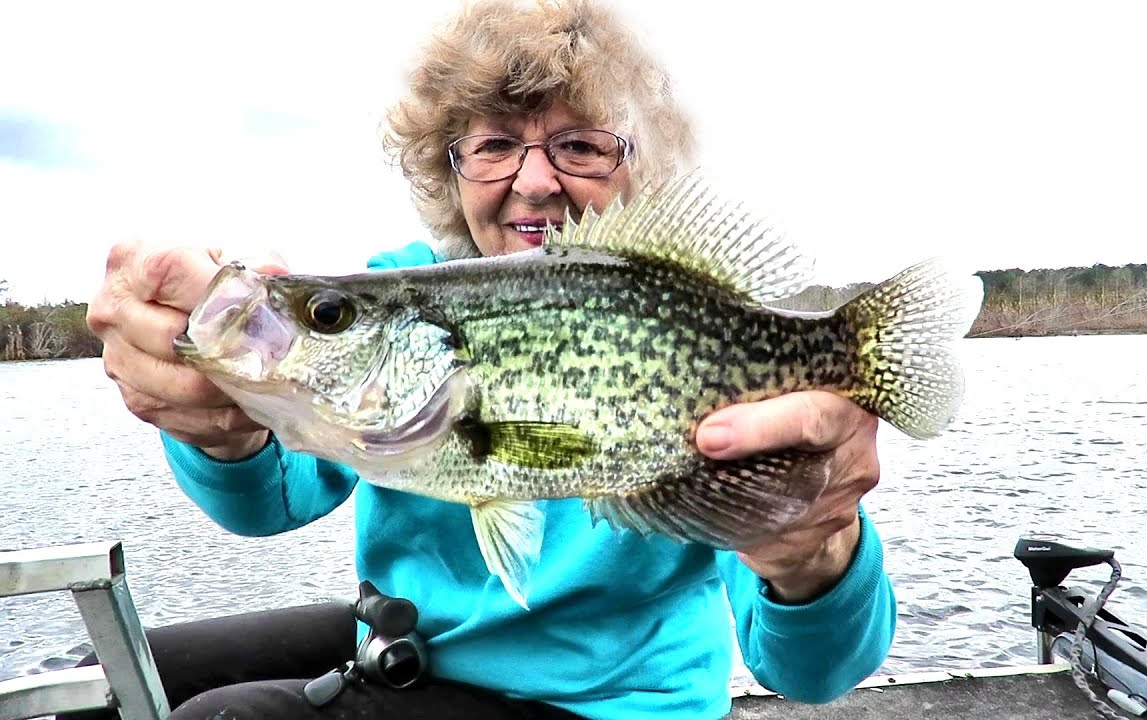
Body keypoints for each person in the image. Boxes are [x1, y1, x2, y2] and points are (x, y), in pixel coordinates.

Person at [81, 1, 896, 718]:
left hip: (615, 709)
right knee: (106, 682)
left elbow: (808, 670)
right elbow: (269, 500)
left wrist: (815, 553)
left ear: (636, 166)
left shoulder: (707, 337)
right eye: (497, 144)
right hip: (413, 656)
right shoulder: (401, 285)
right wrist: (221, 424)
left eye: (578, 145)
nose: (535, 182)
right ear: (451, 165)